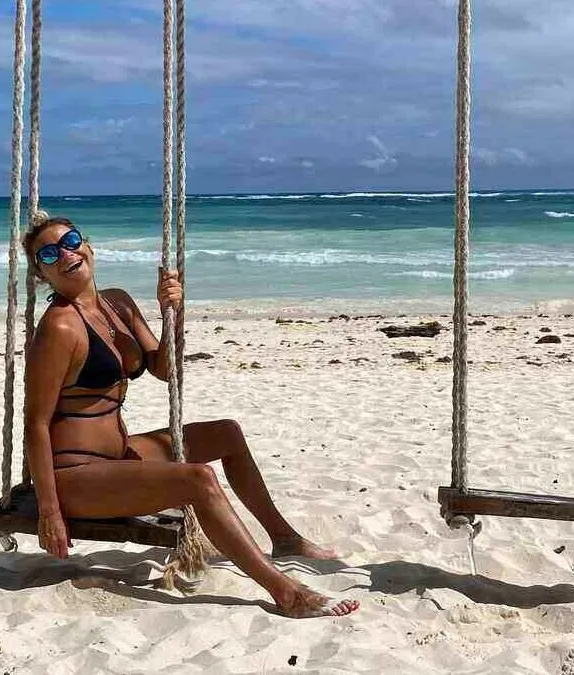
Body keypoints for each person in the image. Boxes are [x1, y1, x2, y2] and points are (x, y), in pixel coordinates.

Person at [22, 216, 358, 619]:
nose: (65, 254)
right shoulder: (59, 326)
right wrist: (49, 512)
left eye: (71, 241)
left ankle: (284, 538)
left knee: (227, 434)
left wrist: (172, 313)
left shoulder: (117, 303)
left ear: (88, 245)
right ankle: (288, 593)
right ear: (40, 274)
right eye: (49, 254)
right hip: (74, 476)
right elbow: (35, 423)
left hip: (119, 454)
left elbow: (165, 368)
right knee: (199, 479)